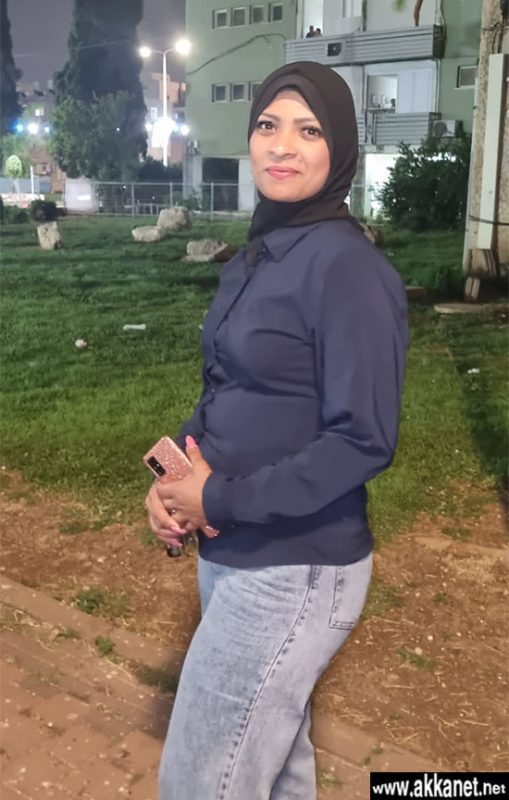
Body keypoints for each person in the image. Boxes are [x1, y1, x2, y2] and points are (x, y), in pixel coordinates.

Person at [146, 60, 408, 800]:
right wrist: (172, 485)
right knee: (275, 773)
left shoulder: (347, 268)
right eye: (267, 124)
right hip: (230, 552)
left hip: (294, 570)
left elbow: (362, 440)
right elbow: (227, 386)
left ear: (340, 149)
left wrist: (219, 499)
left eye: (308, 129)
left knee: (201, 781)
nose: (281, 145)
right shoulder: (261, 254)